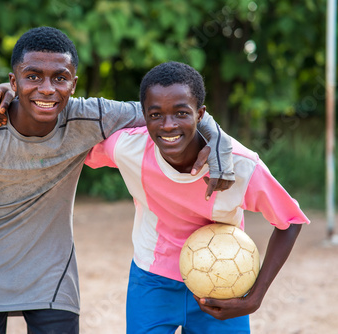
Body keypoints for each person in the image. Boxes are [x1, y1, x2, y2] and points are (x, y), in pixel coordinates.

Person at [0, 27, 234, 334]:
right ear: (14, 81)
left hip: (53, 282)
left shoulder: (88, 117)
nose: (48, 88)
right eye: (33, 76)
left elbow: (172, 110)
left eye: (60, 78)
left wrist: (218, 142)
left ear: (73, 84)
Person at [84, 61, 310, 333]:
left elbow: (291, 221)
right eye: (155, 115)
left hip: (226, 280)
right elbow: (73, 145)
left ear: (200, 114)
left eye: (181, 113)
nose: (168, 126)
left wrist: (256, 297)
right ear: (143, 115)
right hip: (152, 279)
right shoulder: (128, 148)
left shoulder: (241, 166)